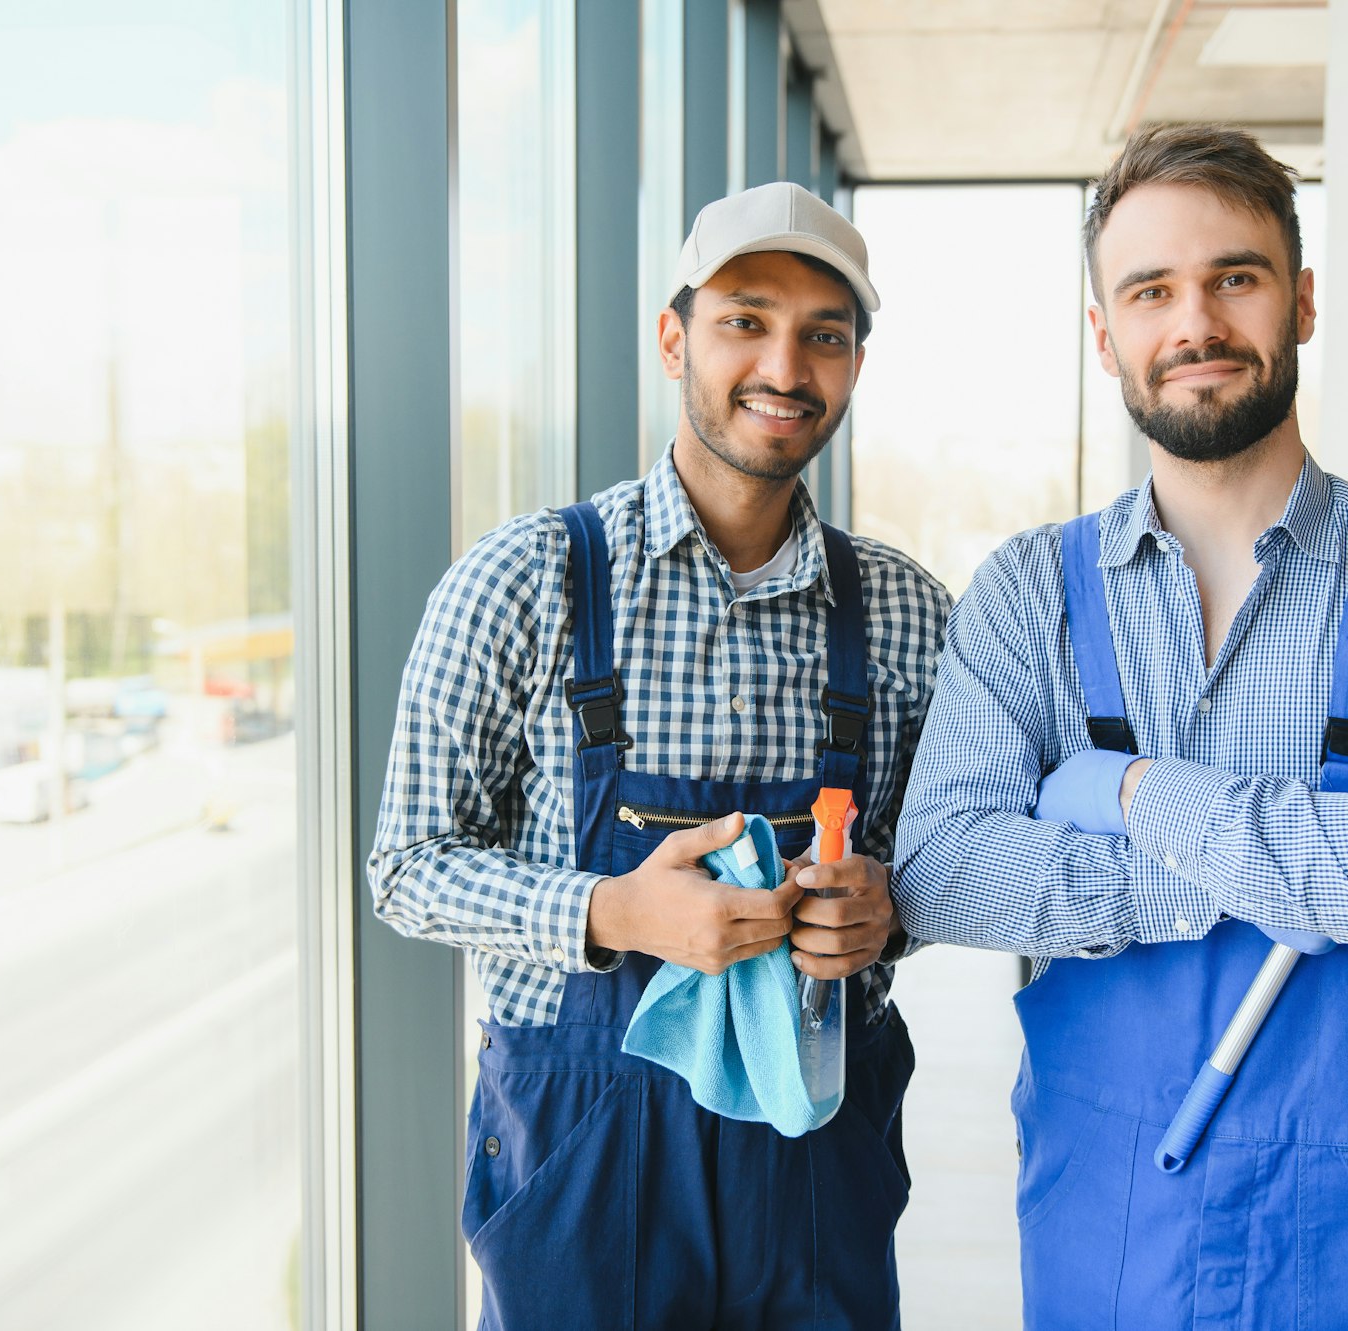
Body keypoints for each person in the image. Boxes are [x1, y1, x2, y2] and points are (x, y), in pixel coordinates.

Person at [892, 124, 1348, 1330]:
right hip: (1107, 1217)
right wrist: (1268, 875)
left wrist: (1128, 791)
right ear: (1103, 334)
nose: (1193, 322)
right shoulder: (1027, 591)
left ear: (1297, 302)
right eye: (1149, 291)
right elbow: (941, 872)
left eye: (1232, 277)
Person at [368, 181, 952, 1330]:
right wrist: (612, 911)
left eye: (822, 335)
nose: (784, 364)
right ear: (673, 338)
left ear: (851, 367)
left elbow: (950, 859)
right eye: (744, 318)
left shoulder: (907, 614)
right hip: (582, 1152)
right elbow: (406, 864)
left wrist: (890, 908)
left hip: (816, 1151)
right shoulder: (525, 581)